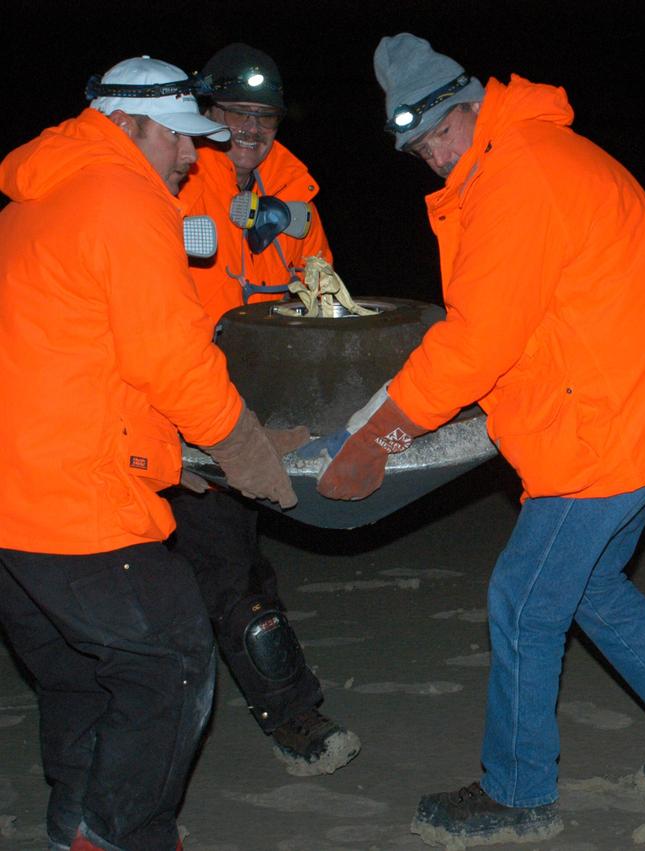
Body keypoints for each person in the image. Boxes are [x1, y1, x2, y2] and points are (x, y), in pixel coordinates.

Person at [316, 33, 645, 848]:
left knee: (523, 596)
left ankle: (518, 793)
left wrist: (381, 433)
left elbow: (480, 339)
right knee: (586, 585)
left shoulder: (518, 174)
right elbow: (517, 319)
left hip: (614, 416)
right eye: (417, 150)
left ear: (469, 106)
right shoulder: (519, 155)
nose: (433, 158)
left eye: (439, 134)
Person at [0, 56, 302, 851]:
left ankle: (73, 823)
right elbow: (170, 358)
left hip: (15, 504)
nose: (191, 156)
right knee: (172, 658)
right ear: (129, 126)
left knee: (80, 675)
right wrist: (242, 447)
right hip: (78, 502)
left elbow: (75, 356)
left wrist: (172, 456)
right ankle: (122, 834)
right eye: (179, 139)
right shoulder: (123, 197)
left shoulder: (33, 199)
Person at [171, 41, 359, 777]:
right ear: (206, 113)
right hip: (186, 409)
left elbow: (324, 305)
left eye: (265, 116)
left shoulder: (296, 196)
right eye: (234, 112)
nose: (250, 128)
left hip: (263, 414)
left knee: (230, 565)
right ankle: (293, 715)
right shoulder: (174, 183)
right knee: (229, 572)